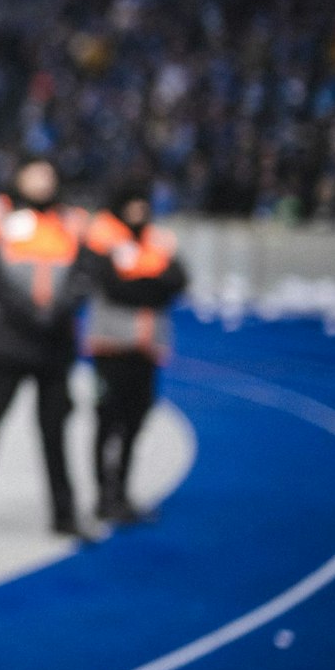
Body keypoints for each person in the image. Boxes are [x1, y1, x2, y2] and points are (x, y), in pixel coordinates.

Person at [0, 157, 91, 538]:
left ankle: (65, 514)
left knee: (55, 432)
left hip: (55, 343)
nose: (42, 180)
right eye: (34, 172)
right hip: (8, 341)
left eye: (49, 172)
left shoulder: (72, 221)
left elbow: (84, 273)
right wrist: (29, 311)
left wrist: (58, 311)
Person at [80, 185, 188, 524]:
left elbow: (179, 280)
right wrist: (151, 286)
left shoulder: (159, 239)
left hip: (147, 346)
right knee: (106, 421)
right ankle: (103, 495)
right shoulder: (102, 238)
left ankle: (122, 491)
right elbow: (112, 285)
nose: (139, 210)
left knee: (135, 421)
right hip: (111, 346)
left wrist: (139, 285)